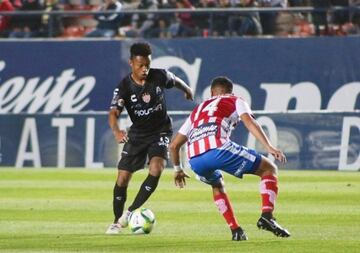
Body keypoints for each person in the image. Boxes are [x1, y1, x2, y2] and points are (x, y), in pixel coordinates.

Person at [169, 76, 290, 241]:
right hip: (218, 149)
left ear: (212, 93)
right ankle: (267, 216)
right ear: (230, 92)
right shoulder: (236, 100)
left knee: (217, 184)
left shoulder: (197, 110)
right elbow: (249, 122)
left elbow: (174, 146)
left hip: (194, 160)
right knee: (269, 169)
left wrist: (178, 169)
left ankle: (236, 231)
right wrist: (269, 147)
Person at [106, 42, 194, 234]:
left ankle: (129, 213)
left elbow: (176, 80)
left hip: (161, 130)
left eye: (147, 64)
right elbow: (113, 113)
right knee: (122, 179)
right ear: (131, 63)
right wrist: (117, 132)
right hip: (137, 134)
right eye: (140, 66)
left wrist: (187, 89)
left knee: (157, 168)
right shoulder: (124, 88)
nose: (145, 69)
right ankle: (115, 221)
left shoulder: (159, 75)